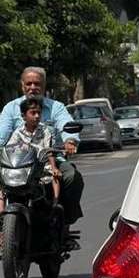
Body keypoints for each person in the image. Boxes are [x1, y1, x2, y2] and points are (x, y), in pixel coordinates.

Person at [0, 67, 84, 223]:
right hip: (17, 163)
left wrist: (70, 141)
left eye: (37, 83)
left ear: (44, 86)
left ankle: (63, 217)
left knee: (71, 176)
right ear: (22, 85)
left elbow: (66, 123)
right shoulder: (10, 108)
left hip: (49, 159)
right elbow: (1, 135)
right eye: (29, 83)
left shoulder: (56, 107)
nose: (33, 87)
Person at [0, 97, 61, 218]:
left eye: (39, 113)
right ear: (23, 116)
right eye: (33, 113)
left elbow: (49, 151)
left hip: (40, 168)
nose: (37, 116)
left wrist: (54, 168)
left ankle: (55, 205)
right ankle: (1, 214)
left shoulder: (45, 131)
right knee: (2, 183)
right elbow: (10, 149)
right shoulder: (18, 132)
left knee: (55, 175)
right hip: (22, 169)